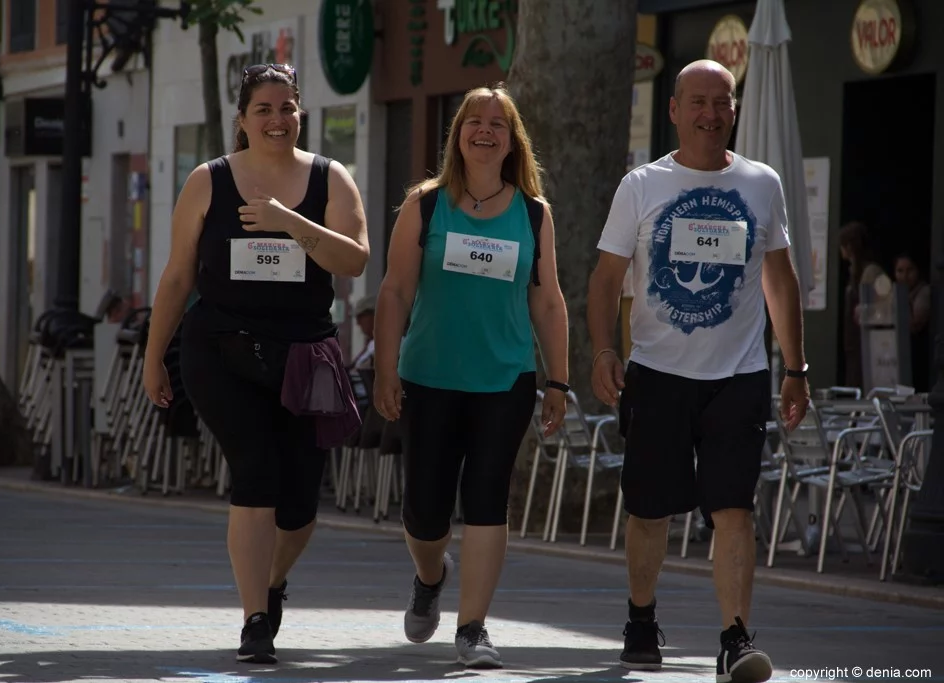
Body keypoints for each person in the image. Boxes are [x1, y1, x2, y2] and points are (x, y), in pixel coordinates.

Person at [588, 60, 809, 683]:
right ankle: (639, 617)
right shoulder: (641, 186)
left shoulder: (762, 184)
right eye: (699, 102)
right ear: (675, 110)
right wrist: (604, 351)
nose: (711, 114)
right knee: (650, 510)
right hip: (656, 372)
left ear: (734, 109)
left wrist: (796, 366)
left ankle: (736, 638)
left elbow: (779, 277)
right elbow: (605, 280)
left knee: (735, 507)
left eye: (722, 102)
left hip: (738, 376)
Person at [141, 63, 369, 664]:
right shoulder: (208, 181)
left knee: (300, 507)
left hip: (304, 355)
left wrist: (289, 222)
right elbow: (177, 276)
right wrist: (152, 356)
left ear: (301, 114)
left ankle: (269, 582)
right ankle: (256, 620)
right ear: (241, 120)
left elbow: (355, 262)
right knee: (256, 471)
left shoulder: (330, 177)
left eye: (287, 107)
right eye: (263, 109)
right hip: (221, 348)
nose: (277, 119)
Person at [373, 83, 569, 669]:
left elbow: (549, 302)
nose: (485, 131)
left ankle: (474, 627)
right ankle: (430, 577)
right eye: (474, 121)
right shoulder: (426, 204)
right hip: (429, 376)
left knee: (487, 499)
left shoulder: (534, 214)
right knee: (425, 511)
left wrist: (557, 381)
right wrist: (386, 368)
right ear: (458, 134)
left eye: (498, 124)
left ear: (513, 142)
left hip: (505, 379)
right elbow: (395, 290)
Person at [839, 221, 886, 389]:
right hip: (854, 339)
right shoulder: (853, 271)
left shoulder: (871, 271)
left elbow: (884, 303)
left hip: (867, 340)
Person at [894, 253, 931, 392]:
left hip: (918, 355)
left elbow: (915, 325)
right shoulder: (895, 293)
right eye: (900, 271)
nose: (905, 276)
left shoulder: (923, 292)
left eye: (910, 270)